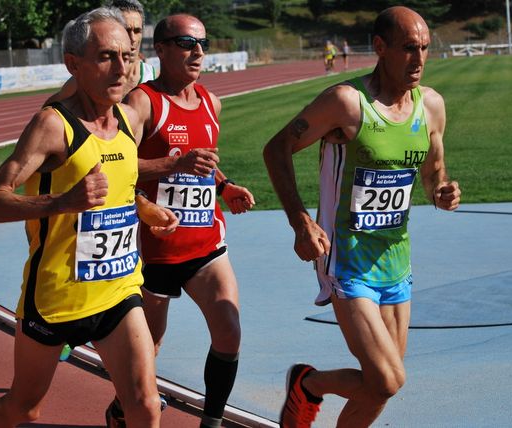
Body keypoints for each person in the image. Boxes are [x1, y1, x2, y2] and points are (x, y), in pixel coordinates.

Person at [0, 8, 179, 428]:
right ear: (74, 64)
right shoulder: (53, 126)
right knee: (22, 408)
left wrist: (144, 208)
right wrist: (61, 202)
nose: (121, 68)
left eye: (127, 56)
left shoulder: (129, 120)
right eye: (107, 56)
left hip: (119, 290)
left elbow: (120, 186)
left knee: (144, 404)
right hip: (55, 299)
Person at [263, 6, 461, 428]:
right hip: (346, 259)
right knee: (388, 379)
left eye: (425, 48)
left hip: (396, 259)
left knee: (380, 385)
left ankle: (308, 386)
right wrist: (301, 221)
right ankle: (309, 385)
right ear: (380, 47)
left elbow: (432, 172)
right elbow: (276, 149)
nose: (419, 59)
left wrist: (441, 191)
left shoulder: (431, 106)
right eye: (409, 48)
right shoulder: (347, 103)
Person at [103, 13, 255, 428]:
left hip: (205, 243)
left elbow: (202, 164)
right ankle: (122, 408)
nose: (198, 52)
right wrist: (171, 167)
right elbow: (116, 164)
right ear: (163, 48)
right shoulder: (142, 102)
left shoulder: (211, 102)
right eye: (187, 43)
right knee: (149, 347)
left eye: (202, 43)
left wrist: (225, 186)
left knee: (228, 331)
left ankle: (212, 421)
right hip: (154, 251)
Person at [45, 0, 157, 105]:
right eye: (126, 30)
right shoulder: (88, 80)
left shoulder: (153, 76)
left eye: (137, 31)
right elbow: (50, 106)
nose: (133, 38)